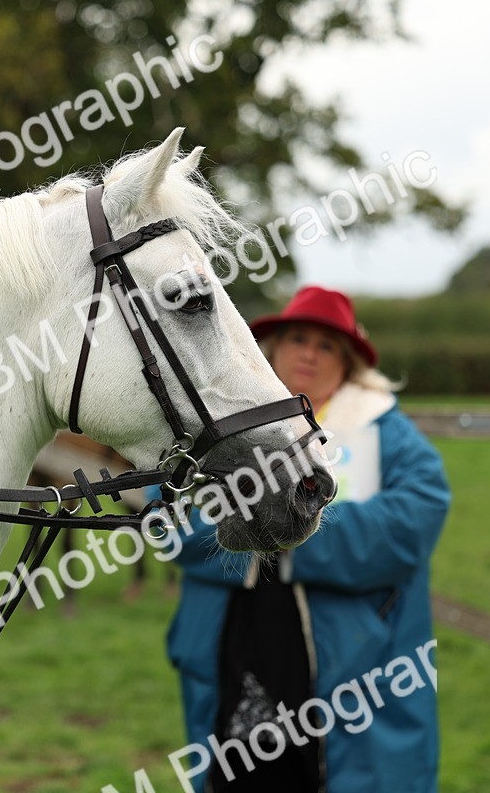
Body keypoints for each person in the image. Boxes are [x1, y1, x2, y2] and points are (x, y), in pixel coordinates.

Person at [164, 286, 450, 793]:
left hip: (350, 663)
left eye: (328, 346)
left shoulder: (385, 430)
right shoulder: (220, 421)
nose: (310, 354)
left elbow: (415, 517)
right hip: (236, 642)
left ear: (348, 364)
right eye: (299, 338)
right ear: (271, 348)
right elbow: (168, 509)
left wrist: (288, 532)